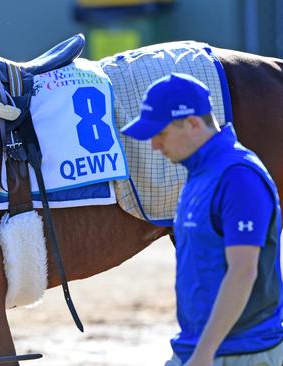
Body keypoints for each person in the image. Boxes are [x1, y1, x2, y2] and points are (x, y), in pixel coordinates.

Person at [121, 73, 283, 366]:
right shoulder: (200, 174)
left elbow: (243, 272)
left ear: (194, 124)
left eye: (161, 133)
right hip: (200, 347)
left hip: (240, 353)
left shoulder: (238, 178)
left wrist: (205, 353)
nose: (155, 145)